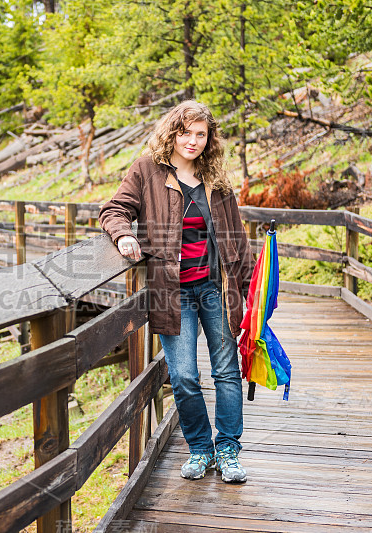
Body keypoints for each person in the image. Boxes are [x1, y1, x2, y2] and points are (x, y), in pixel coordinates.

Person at [99, 101, 255, 483]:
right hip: (173, 292)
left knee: (226, 371)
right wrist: (123, 237)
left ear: (209, 139)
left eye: (201, 134)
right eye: (186, 132)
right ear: (172, 132)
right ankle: (201, 450)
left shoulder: (216, 180)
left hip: (217, 288)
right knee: (184, 375)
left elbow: (238, 239)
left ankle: (229, 450)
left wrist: (252, 294)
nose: (193, 141)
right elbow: (113, 210)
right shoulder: (147, 171)